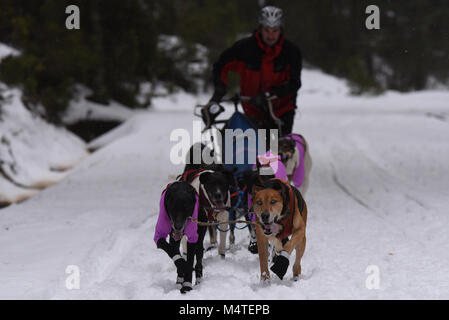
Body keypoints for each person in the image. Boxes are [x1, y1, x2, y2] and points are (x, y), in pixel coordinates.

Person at [202, 5, 303, 137]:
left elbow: (294, 83)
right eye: (267, 30)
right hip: (253, 110)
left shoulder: (291, 52)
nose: (271, 35)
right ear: (260, 28)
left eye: (275, 30)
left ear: (281, 30)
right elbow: (221, 66)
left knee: (276, 152)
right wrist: (218, 94)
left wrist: (269, 95)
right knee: (247, 148)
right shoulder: (245, 49)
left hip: (281, 111)